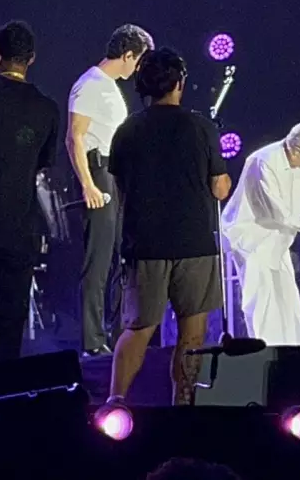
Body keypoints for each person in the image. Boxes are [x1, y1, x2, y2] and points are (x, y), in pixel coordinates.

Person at [106, 47, 231, 406]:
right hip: (194, 242)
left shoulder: (127, 129)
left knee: (138, 328)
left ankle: (114, 403)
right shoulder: (201, 126)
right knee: (192, 332)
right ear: (179, 82)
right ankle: (184, 406)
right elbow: (219, 187)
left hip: (144, 243)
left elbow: (120, 187)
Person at [0, 20, 59, 400]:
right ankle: (1, 401)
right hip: (19, 228)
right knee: (10, 320)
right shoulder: (47, 108)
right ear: (31, 59)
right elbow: (40, 169)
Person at [66, 24, 154, 356]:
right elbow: (75, 136)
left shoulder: (108, 87)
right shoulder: (90, 84)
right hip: (98, 173)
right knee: (99, 260)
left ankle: (115, 336)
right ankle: (92, 342)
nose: (139, 69)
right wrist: (88, 184)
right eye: (139, 60)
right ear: (128, 55)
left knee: (121, 259)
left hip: (115, 175)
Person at [221, 122, 300, 345]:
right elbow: (277, 213)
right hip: (252, 238)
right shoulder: (263, 162)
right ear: (295, 149)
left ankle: (293, 347)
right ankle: (263, 348)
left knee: (286, 297)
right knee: (261, 298)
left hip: (279, 239)